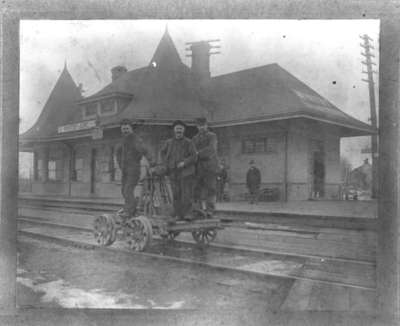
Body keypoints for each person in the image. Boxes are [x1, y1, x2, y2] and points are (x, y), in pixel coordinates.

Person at [160, 120, 197, 220]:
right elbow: (162, 153)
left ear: (184, 130)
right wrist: (166, 164)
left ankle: (188, 214)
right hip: (173, 172)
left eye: (181, 129)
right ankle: (178, 215)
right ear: (174, 130)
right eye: (177, 129)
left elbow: (194, 156)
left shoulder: (189, 142)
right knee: (176, 194)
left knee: (186, 194)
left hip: (186, 172)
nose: (179, 131)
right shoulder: (168, 143)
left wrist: (184, 162)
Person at [116, 119, 153, 219]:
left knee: (128, 189)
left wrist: (152, 162)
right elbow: (118, 153)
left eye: (127, 128)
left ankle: (130, 210)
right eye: (123, 129)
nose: (125, 130)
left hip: (134, 170)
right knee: (123, 190)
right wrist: (121, 165)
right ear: (121, 130)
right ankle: (132, 205)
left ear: (131, 129)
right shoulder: (123, 141)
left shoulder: (135, 139)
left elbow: (144, 150)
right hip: (125, 170)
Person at [192, 117, 219, 215]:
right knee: (196, 189)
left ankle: (210, 210)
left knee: (210, 189)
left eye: (203, 125)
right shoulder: (194, 138)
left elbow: (211, 149)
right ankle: (198, 210)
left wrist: (197, 154)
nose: (201, 128)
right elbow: (192, 151)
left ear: (206, 125)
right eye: (199, 126)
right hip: (198, 168)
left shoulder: (212, 136)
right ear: (197, 127)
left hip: (210, 167)